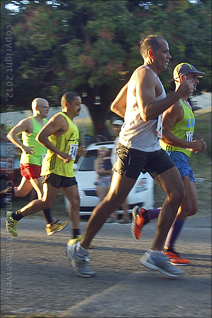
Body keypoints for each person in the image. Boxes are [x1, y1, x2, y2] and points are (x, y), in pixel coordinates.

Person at [66, 34, 194, 278]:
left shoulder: (144, 75)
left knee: (177, 193)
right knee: (113, 200)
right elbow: (147, 113)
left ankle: (155, 253)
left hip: (152, 148)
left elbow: (117, 106)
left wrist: (133, 117)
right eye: (166, 52)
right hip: (132, 149)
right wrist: (177, 94)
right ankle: (80, 250)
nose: (169, 56)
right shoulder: (145, 74)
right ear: (152, 54)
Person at [131, 63, 206, 265]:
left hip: (183, 158)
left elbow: (180, 134)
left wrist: (193, 145)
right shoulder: (174, 104)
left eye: (197, 78)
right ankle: (167, 248)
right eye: (192, 77)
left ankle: (147, 215)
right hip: (173, 156)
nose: (197, 81)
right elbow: (162, 134)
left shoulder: (187, 105)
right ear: (181, 79)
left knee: (191, 208)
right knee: (186, 204)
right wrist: (190, 144)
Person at [5, 92, 86, 245]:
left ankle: (76, 237)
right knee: (46, 201)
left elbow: (68, 147)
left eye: (80, 104)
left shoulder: (73, 123)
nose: (80, 107)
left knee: (75, 201)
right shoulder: (59, 119)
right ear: (67, 105)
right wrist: (60, 153)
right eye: (77, 104)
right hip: (53, 167)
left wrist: (78, 152)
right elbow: (40, 137)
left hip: (66, 169)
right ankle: (15, 216)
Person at [2, 98, 68, 236]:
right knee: (44, 195)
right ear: (37, 108)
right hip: (30, 162)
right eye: (45, 107)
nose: (48, 109)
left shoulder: (44, 123)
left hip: (42, 163)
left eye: (49, 107)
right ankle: (50, 224)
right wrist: (23, 146)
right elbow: (11, 134)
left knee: (21, 192)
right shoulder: (28, 122)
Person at [109, 119, 130, 224]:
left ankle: (125, 216)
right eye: (115, 126)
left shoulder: (123, 138)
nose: (116, 128)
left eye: (118, 126)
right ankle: (114, 215)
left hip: (121, 170)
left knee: (121, 194)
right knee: (115, 194)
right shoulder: (116, 139)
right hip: (115, 170)